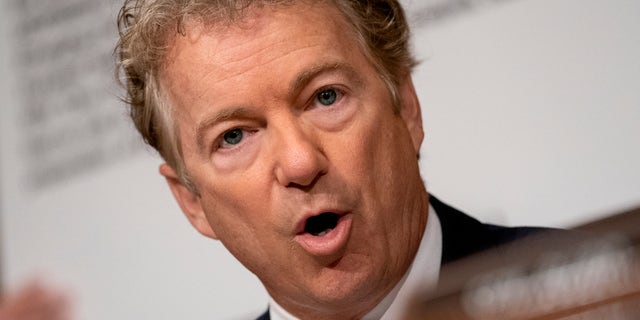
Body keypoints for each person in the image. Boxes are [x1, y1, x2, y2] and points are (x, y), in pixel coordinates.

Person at [116, 0, 543, 318]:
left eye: (326, 97)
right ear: (192, 202)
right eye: (233, 136)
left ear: (407, 107)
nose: (301, 162)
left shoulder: (587, 296)